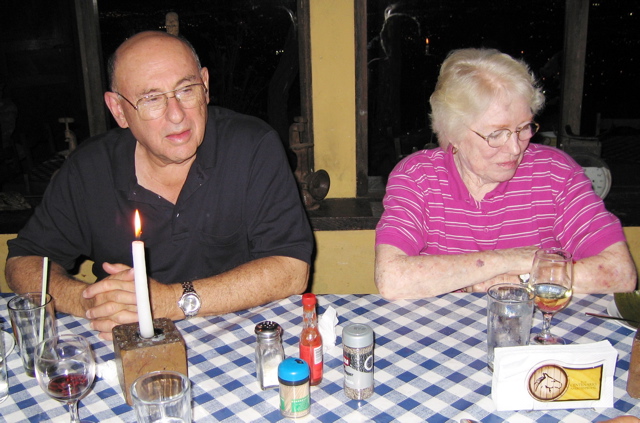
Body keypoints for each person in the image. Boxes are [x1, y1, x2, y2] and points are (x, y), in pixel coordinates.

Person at [5, 31, 313, 339]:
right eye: (151, 99)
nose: (177, 115)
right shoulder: (90, 169)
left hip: (240, 337)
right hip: (127, 343)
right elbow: (23, 263)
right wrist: (93, 301)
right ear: (118, 110)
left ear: (205, 86)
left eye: (186, 90)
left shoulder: (252, 146)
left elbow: (291, 270)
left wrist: (171, 300)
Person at [375, 48, 636, 299]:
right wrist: (513, 258)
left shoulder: (555, 173)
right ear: (452, 132)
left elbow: (620, 273)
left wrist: (521, 281)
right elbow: (392, 278)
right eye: (496, 134)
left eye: (523, 128)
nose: (515, 147)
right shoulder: (418, 177)